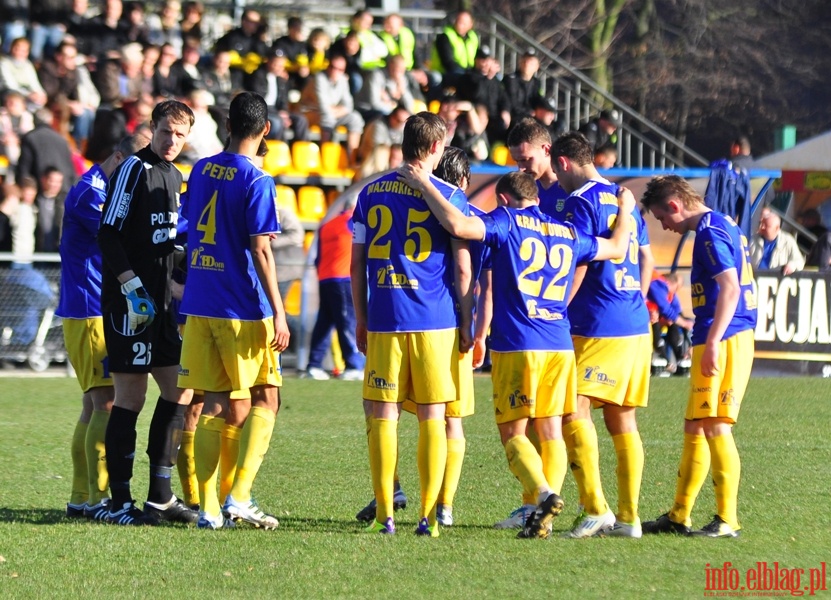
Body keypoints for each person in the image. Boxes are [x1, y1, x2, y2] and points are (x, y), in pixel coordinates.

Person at [399, 164, 636, 539]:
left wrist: (424, 183)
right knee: (550, 430)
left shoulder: (506, 221)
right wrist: (625, 208)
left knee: (513, 432)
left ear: (504, 200)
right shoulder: (568, 231)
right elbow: (619, 247)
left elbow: (459, 226)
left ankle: (542, 495)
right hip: (560, 343)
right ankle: (542, 518)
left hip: (519, 343)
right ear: (538, 199)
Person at [351, 111, 473, 537]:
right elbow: (461, 267)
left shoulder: (370, 193)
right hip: (434, 320)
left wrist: (361, 319)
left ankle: (386, 514)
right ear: (437, 148)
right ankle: (427, 518)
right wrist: (468, 320)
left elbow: (356, 264)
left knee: (383, 414)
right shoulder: (448, 195)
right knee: (432, 416)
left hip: (384, 316)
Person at [178, 91, 290, 530]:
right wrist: (279, 312)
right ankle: (239, 496)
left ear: (228, 125)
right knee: (267, 397)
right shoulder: (257, 179)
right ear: (264, 130)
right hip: (241, 307)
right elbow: (260, 249)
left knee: (216, 404)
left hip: (200, 302)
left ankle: (209, 508)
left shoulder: (201, 169)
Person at [97, 99, 197, 526]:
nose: (171, 140)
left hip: (162, 305)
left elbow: (170, 241)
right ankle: (118, 502)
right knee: (132, 397)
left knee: (180, 392)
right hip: (130, 303)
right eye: (164, 131)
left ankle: (159, 496)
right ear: (152, 128)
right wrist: (132, 286)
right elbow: (108, 234)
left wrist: (178, 278)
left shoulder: (177, 176)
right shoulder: (133, 170)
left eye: (179, 134)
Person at [640, 174, 757, 538]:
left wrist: (717, 341)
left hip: (727, 336)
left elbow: (730, 287)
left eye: (662, 218)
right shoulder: (722, 223)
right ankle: (679, 515)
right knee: (696, 424)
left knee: (716, 425)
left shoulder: (708, 231)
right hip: (718, 334)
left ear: (675, 205)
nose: (665, 226)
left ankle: (727, 520)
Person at [552, 131, 654, 539]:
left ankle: (595, 507)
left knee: (571, 408)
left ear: (562, 163)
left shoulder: (581, 201)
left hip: (597, 323)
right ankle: (629, 518)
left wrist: (557, 306)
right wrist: (637, 298)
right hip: (633, 321)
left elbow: (577, 259)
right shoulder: (622, 200)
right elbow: (644, 255)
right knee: (621, 418)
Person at [59, 134, 148, 521]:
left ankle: (83, 496)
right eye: (132, 166)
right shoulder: (89, 193)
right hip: (90, 309)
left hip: (90, 308)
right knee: (106, 402)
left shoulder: (99, 190)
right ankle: (99, 498)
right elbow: (123, 235)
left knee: (92, 403)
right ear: (117, 158)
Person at [304, 196, 365, 381]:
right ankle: (353, 365)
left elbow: (317, 257)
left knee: (325, 323)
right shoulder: (353, 220)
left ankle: (314, 365)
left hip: (325, 278)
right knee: (347, 321)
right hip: (343, 277)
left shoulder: (327, 225)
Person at [646, 271, 694, 375]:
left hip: (659, 319)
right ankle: (664, 361)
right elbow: (664, 307)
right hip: (648, 320)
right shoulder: (657, 284)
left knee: (675, 323)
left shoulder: (671, 294)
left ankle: (681, 358)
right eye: (676, 288)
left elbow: (676, 311)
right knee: (658, 322)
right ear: (668, 283)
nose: (674, 292)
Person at [748, 207, 804, 275]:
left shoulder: (787, 241)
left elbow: (799, 261)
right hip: (755, 278)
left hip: (776, 280)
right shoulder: (753, 240)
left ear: (777, 228)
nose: (762, 227)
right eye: (762, 224)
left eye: (766, 226)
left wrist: (792, 266)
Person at [430, 10, 479, 87]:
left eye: (463, 23)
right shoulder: (445, 37)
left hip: (468, 71)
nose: (459, 24)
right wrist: (467, 74)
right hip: (446, 72)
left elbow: (478, 58)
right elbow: (448, 62)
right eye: (458, 21)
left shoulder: (473, 38)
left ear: (470, 25)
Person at [503, 49, 543, 127]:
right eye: (525, 60)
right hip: (515, 118)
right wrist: (528, 112)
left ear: (537, 66)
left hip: (530, 117)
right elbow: (512, 103)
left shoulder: (536, 83)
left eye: (530, 62)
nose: (527, 64)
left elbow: (538, 100)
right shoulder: (511, 80)